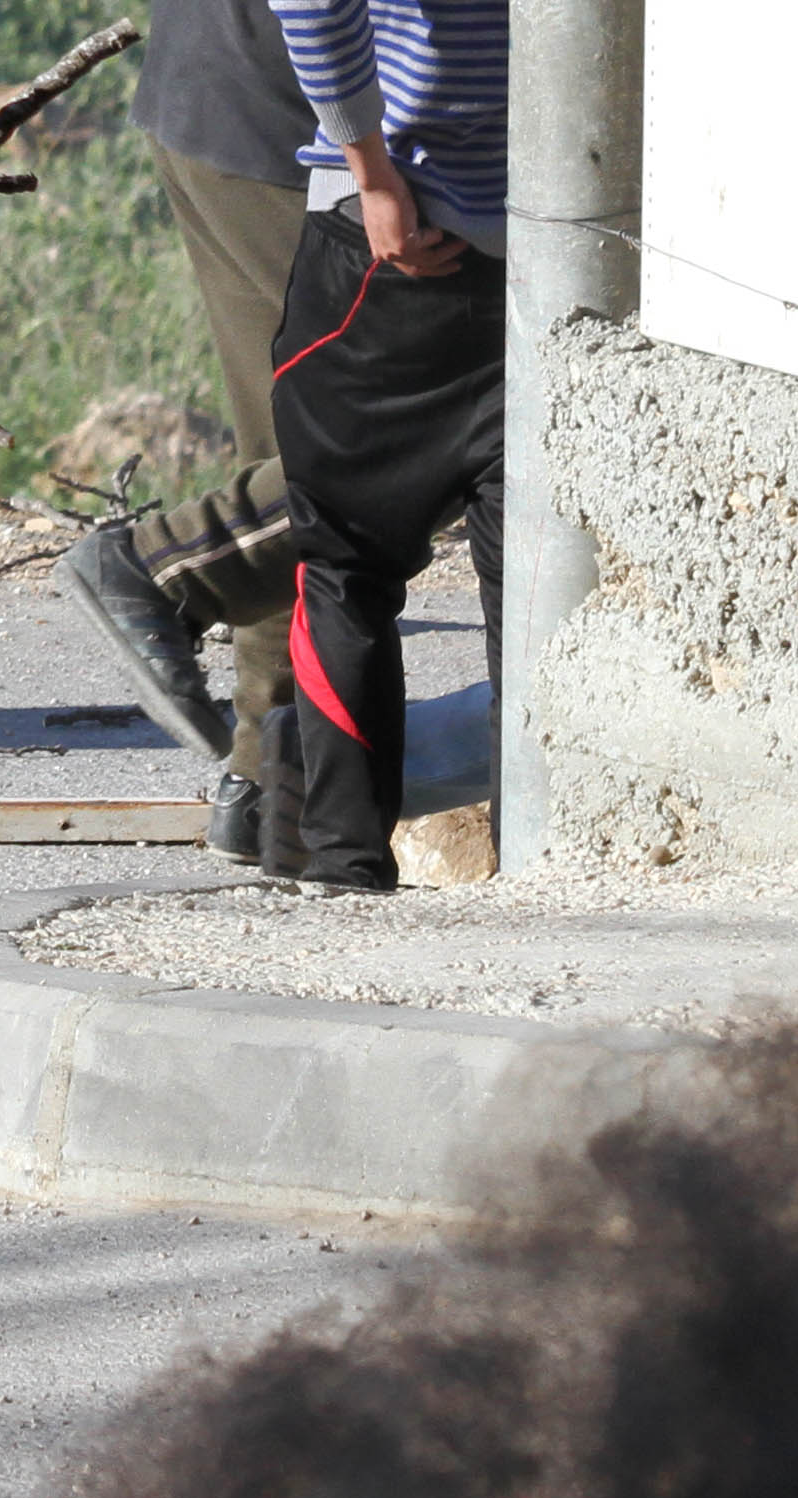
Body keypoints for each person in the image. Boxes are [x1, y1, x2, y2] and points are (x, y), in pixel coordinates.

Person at [53, 0, 311, 861]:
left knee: (298, 446)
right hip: (303, 111)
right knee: (403, 438)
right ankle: (159, 567)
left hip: (240, 87)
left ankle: (271, 781)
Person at [258, 0, 506, 894]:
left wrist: (367, 169)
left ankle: (343, 870)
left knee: (345, 567)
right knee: (535, 597)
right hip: (561, 242)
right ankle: (545, 871)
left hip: (394, 243)